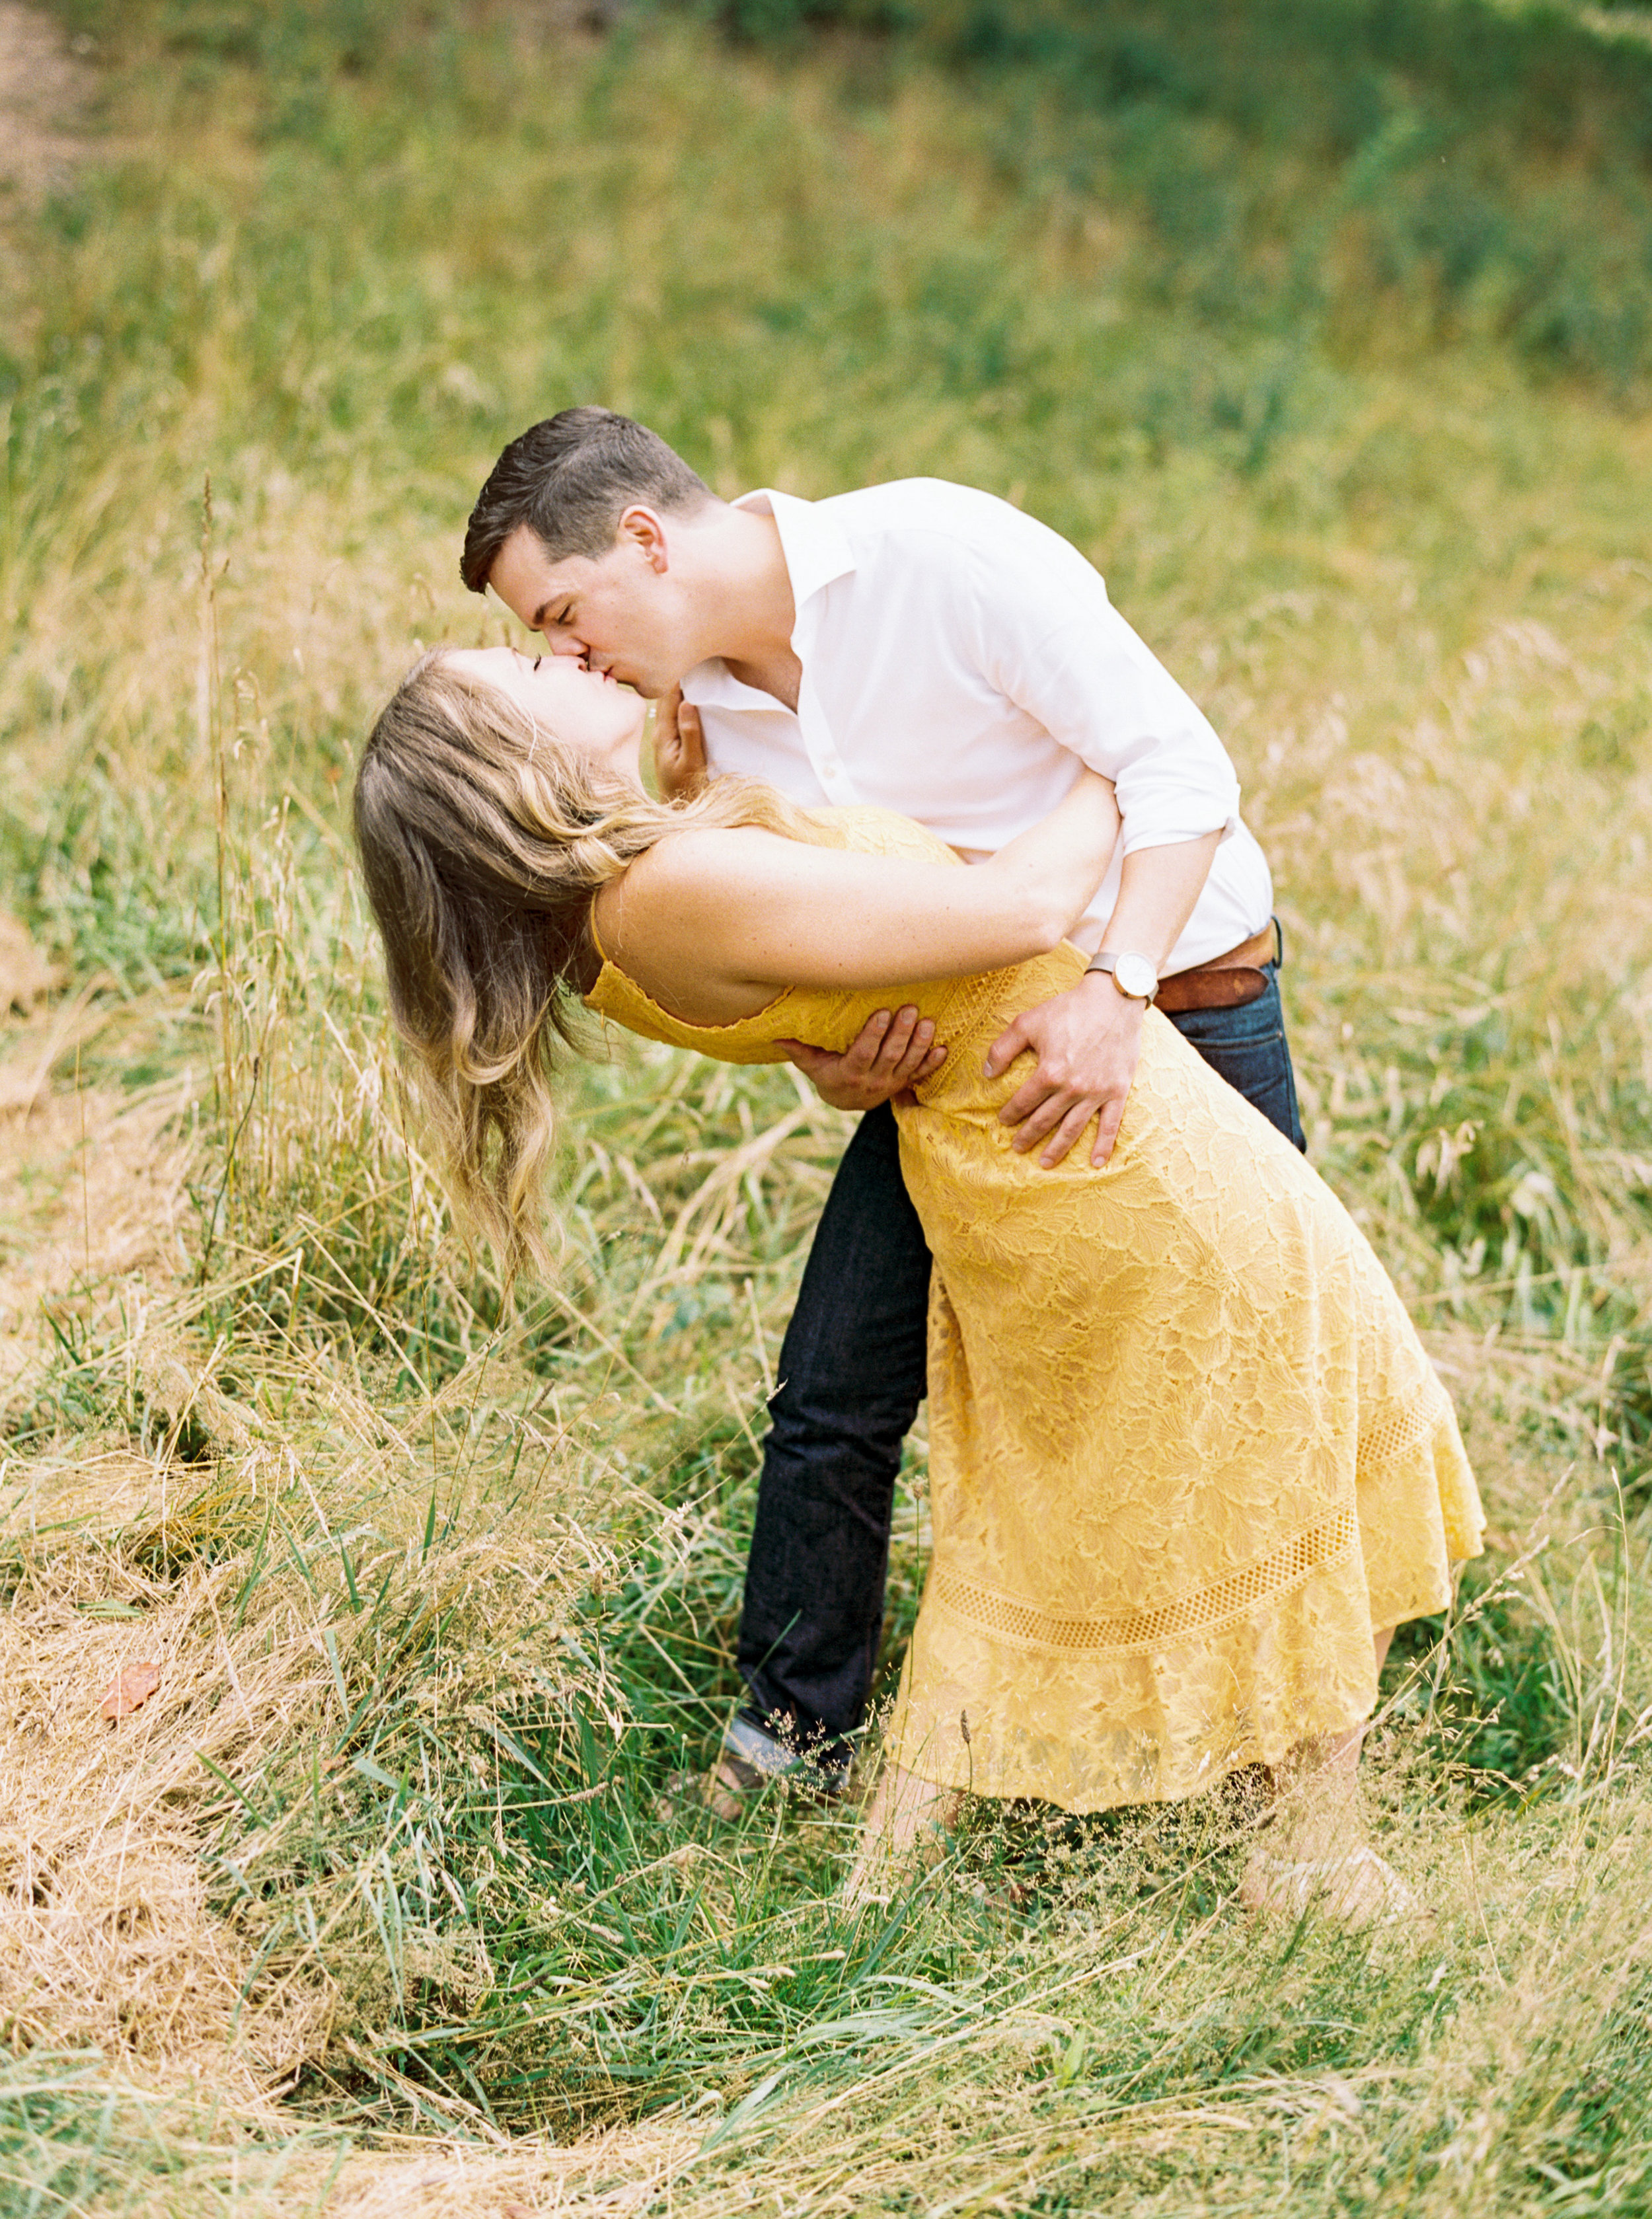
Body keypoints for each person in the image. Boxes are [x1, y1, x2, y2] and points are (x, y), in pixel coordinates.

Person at [352, 646, 1485, 1924]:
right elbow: (1022, 910)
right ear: (512, 763)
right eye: (520, 664)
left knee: (1071, 1504)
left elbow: (840, 982)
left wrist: (681, 789)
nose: (556, 652)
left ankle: (889, 1900)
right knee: (1265, 1452)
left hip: (1034, 1143)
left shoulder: (622, 909)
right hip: (1110, 1156)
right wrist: (1119, 751)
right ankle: (1306, 1862)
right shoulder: (669, 890)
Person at [458, 410, 1308, 1813]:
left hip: (1175, 1005)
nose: (570, 657)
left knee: (1238, 1374)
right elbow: (801, 929)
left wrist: (1115, 989)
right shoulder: (691, 722)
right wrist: (827, 1066)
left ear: (647, 540)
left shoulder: (939, 554)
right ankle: (792, 1738)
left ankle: (1260, 1769)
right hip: (957, 1061)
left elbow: (1179, 770)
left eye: (562, 613)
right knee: (836, 1387)